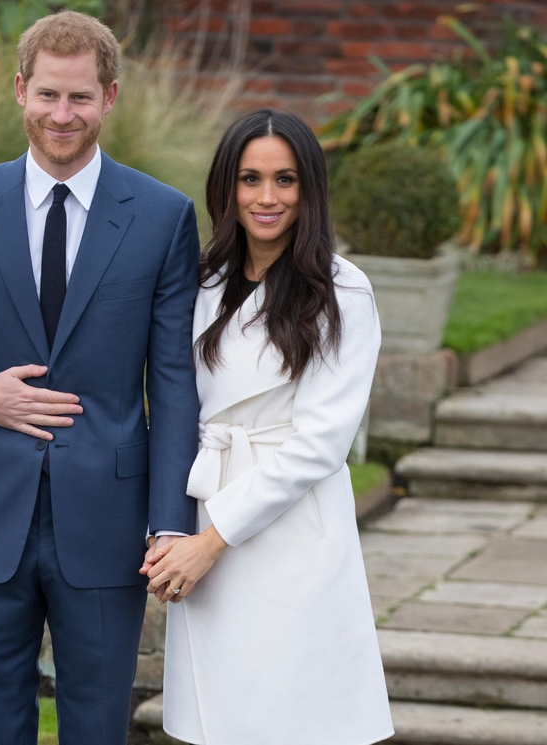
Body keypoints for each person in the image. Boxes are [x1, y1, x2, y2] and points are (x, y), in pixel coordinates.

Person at [0, 11, 199, 745]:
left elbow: (174, 378)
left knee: (97, 724)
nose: (62, 115)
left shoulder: (162, 216)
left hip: (109, 523)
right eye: (48, 94)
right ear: (21, 90)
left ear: (109, 97)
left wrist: (173, 519)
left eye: (80, 97)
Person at [142, 109, 394, 745]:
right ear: (226, 186)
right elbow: (176, 407)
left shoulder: (343, 292)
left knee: (289, 718)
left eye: (285, 180)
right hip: (206, 515)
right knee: (219, 721)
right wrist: (174, 530)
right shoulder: (201, 281)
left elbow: (319, 446)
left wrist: (209, 543)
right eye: (250, 179)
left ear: (309, 188)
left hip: (287, 532)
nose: (266, 197)